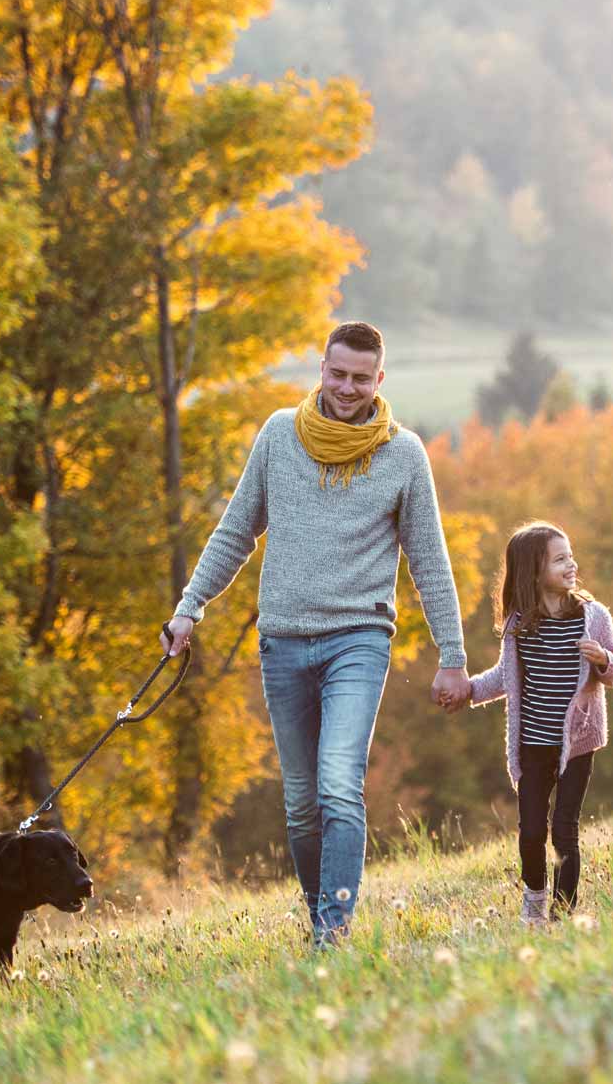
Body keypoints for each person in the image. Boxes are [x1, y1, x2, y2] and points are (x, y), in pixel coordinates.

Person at [161, 321, 468, 945]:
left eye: (361, 377)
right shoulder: (279, 435)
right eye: (338, 373)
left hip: (359, 638)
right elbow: (235, 530)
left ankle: (333, 933)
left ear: (379, 380)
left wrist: (453, 654)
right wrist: (190, 606)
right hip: (282, 643)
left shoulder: (403, 455)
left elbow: (430, 560)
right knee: (301, 802)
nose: (348, 387)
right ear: (321, 370)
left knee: (337, 783)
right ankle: (318, 918)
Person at [467, 522, 613, 923]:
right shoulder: (520, 625)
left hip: (578, 743)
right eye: (560, 559)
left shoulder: (593, 617)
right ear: (533, 571)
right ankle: (535, 899)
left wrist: (604, 661)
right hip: (533, 745)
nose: (571, 564)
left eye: (570, 556)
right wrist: (467, 691)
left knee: (564, 829)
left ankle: (562, 912)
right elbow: (504, 678)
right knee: (532, 832)